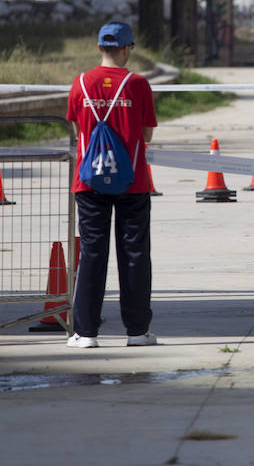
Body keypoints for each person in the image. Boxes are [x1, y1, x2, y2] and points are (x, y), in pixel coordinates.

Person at [65, 22, 158, 348]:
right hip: (132, 181)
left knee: (92, 253)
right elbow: (146, 134)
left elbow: (78, 132)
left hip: (89, 181)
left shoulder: (80, 83)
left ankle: (86, 332)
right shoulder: (138, 84)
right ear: (126, 48)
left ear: (100, 48)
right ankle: (137, 332)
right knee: (134, 253)